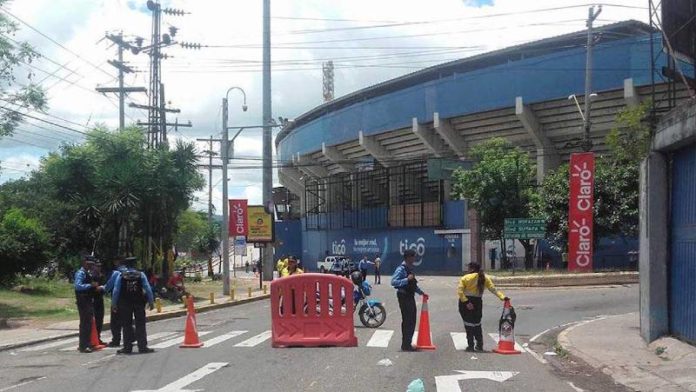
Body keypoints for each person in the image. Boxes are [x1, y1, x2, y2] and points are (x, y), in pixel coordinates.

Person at [457, 261, 508, 352]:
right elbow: (493, 289)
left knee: (468, 324)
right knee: (477, 324)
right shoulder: (485, 278)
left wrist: (466, 302)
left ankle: (471, 345)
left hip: (466, 303)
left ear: (472, 269)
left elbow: (460, 292)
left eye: (468, 268)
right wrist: (502, 297)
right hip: (478, 302)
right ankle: (479, 345)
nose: (467, 269)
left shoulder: (465, 278)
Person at [112, 257, 155, 354]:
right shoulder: (141, 274)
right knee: (140, 324)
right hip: (138, 303)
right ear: (135, 265)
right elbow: (147, 288)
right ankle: (142, 347)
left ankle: (127, 348)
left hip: (125, 304)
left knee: (126, 325)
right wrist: (151, 301)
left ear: (126, 265)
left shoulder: (121, 275)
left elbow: (116, 290)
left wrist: (114, 304)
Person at [391, 249, 428, 352]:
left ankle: (407, 343)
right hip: (404, 296)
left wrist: (421, 292)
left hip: (409, 296)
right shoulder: (401, 269)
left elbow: (412, 285)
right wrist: (407, 279)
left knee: (411, 320)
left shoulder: (409, 268)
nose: (414, 259)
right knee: (408, 320)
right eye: (413, 257)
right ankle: (406, 345)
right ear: (408, 257)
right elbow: (394, 282)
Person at [74, 255, 101, 353]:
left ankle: (87, 343)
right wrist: (90, 285)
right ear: (84, 263)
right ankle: (83, 345)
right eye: (89, 264)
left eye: (92, 264)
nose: (91, 266)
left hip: (88, 300)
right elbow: (78, 286)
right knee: (85, 323)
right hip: (83, 301)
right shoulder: (80, 273)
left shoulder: (87, 273)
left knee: (88, 322)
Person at [104, 257, 130, 347]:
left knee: (115, 322)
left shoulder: (116, 273)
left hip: (119, 301)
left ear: (116, 262)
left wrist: (113, 303)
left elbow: (113, 288)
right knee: (127, 321)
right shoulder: (131, 272)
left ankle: (116, 340)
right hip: (129, 301)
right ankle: (131, 337)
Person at [91, 261, 107, 345]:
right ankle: (93, 339)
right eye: (97, 266)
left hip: (100, 298)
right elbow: (93, 286)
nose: (99, 267)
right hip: (93, 299)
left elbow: (105, 286)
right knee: (95, 319)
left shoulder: (101, 275)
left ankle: (98, 337)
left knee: (100, 319)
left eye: (100, 266)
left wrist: (102, 287)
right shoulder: (92, 276)